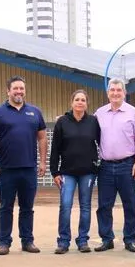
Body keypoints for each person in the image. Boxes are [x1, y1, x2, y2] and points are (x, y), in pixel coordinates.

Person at [0, 76, 48, 255]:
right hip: (5, 170)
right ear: (8, 91)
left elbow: (42, 137)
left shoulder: (35, 112)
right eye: (15, 88)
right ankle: (4, 242)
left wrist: (43, 161)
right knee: (5, 207)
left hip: (29, 168)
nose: (19, 91)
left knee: (27, 207)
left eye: (22, 88)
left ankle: (27, 241)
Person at [94, 78, 135, 253]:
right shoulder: (99, 113)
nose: (115, 93)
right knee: (104, 205)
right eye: (112, 90)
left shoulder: (132, 113)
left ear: (124, 93)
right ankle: (106, 238)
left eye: (119, 90)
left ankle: (130, 239)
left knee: (130, 204)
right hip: (106, 166)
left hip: (127, 165)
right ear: (108, 92)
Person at [49, 90, 100, 254]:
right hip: (67, 173)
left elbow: (102, 143)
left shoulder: (93, 122)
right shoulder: (62, 122)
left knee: (85, 206)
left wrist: (98, 165)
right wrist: (55, 172)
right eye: (77, 99)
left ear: (87, 104)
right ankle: (63, 241)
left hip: (88, 172)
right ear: (72, 103)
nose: (80, 102)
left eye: (83, 100)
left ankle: (83, 240)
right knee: (65, 206)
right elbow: (55, 148)